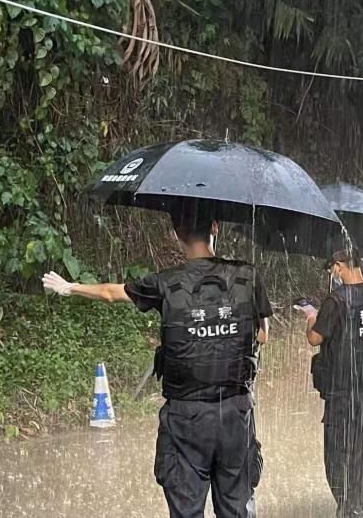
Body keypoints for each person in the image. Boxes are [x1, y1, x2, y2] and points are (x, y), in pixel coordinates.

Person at [42, 211, 272, 518]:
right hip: (236, 411)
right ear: (215, 227)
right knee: (237, 507)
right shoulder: (247, 276)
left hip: (186, 417)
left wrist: (70, 287)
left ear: (176, 234)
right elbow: (263, 335)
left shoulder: (165, 283)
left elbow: (112, 293)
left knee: (186, 509)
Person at [303, 248, 363, 518]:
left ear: (340, 266)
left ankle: (348, 508)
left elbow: (315, 338)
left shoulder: (336, 301)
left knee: (338, 454)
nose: (333, 274)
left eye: (333, 269)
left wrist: (310, 318)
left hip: (342, 394)